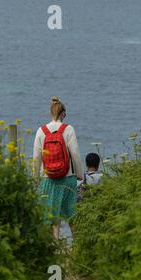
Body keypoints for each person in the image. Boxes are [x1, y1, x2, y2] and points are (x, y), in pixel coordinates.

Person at [33, 96, 83, 240]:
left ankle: (54, 248)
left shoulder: (41, 131)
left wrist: (36, 178)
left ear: (51, 112)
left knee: (52, 216)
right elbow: (75, 154)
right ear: (64, 114)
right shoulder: (68, 129)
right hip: (68, 179)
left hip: (48, 180)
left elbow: (36, 157)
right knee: (72, 214)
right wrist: (79, 174)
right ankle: (78, 245)